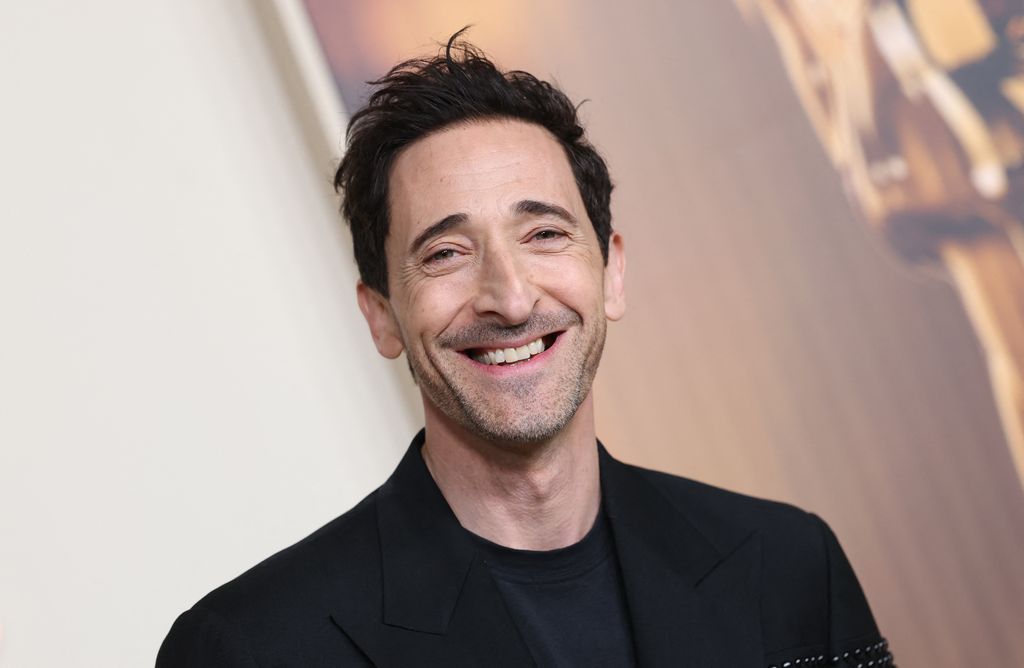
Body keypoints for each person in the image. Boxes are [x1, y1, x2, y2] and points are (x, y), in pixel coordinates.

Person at [157, 32, 892, 667]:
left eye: (544, 234)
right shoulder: (252, 647)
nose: (510, 299)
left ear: (612, 272)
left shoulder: (791, 566)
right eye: (445, 253)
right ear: (380, 316)